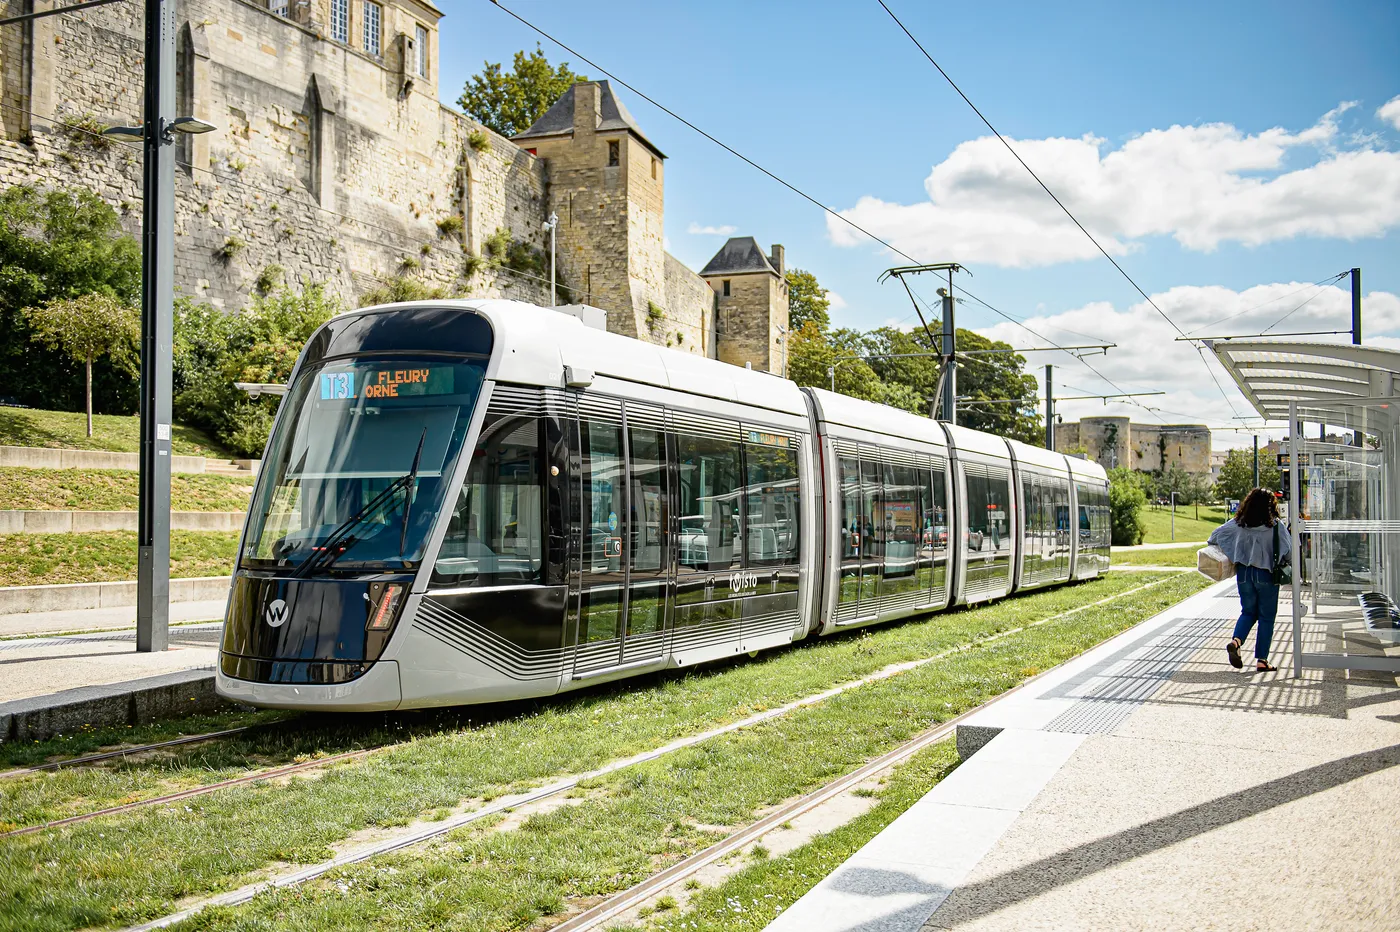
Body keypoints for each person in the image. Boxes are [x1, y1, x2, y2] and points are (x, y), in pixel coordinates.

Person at [1207, 488, 1291, 672]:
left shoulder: (1237, 524)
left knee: (1248, 612)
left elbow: (1214, 537)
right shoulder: (1276, 526)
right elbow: (1289, 552)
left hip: (1244, 574)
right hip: (1266, 575)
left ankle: (1236, 642)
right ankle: (1262, 660)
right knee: (1266, 617)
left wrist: (1234, 549)